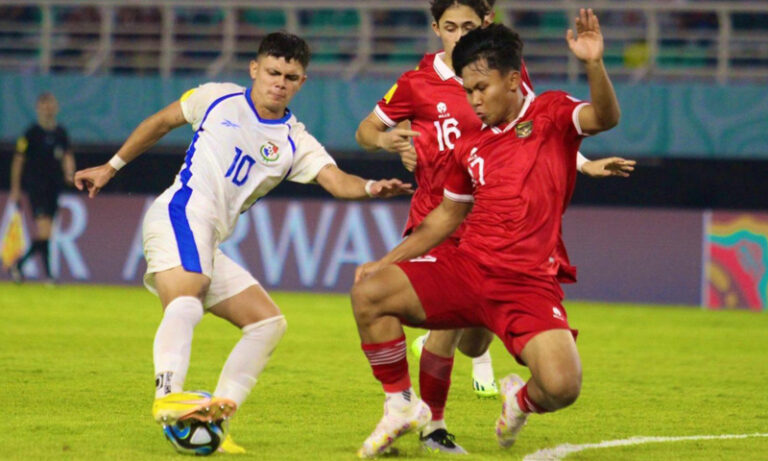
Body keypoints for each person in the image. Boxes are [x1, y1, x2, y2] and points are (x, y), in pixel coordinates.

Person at [73, 32, 412, 454]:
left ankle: (216, 415)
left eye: (290, 76)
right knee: (187, 296)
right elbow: (161, 122)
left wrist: (373, 186)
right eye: (272, 71)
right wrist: (111, 167)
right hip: (180, 213)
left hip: (208, 238)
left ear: (301, 82)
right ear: (255, 69)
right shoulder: (216, 98)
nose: (279, 82)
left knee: (268, 324)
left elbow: (337, 181)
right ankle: (168, 396)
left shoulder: (294, 140)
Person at [355, 0, 634, 454]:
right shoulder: (470, 146)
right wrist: (382, 263)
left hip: (526, 282)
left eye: (481, 89)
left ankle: (518, 401)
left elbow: (604, 119)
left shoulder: (551, 113)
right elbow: (446, 215)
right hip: (466, 267)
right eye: (468, 92)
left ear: (511, 79)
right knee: (369, 293)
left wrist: (595, 64)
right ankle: (411, 411)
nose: (474, 101)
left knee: (562, 387)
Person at [8, 92, 76, 284]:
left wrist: (70, 173)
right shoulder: (31, 133)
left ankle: (34, 272)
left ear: (56, 107)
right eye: (44, 105)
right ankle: (37, 272)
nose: (47, 109)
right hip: (36, 186)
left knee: (47, 233)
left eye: (50, 105)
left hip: (54, 187)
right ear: (38, 108)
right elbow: (18, 161)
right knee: (45, 231)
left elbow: (67, 156)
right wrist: (15, 188)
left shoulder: (60, 133)